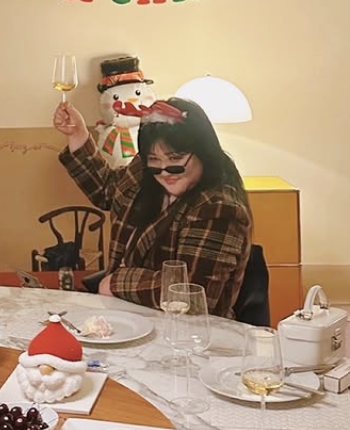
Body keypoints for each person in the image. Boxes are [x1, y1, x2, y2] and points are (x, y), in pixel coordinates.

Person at [53, 96, 252, 317]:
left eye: (175, 159)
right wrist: (77, 134)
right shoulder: (146, 170)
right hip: (126, 317)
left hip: (188, 330)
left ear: (203, 153)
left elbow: (190, 294)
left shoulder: (220, 209)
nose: (164, 171)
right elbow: (108, 191)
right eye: (154, 160)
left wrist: (116, 281)